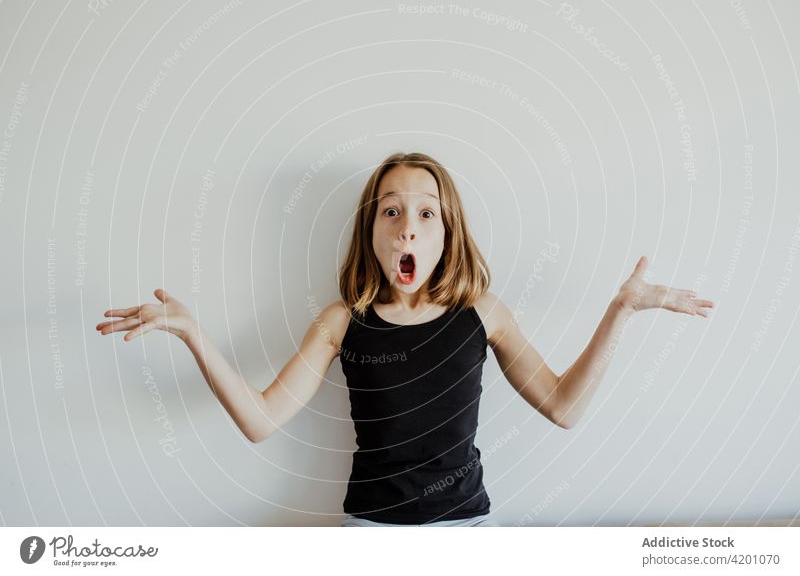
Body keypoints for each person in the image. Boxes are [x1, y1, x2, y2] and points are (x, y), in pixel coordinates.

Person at [95, 152, 714, 527]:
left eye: (425, 213)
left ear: (447, 232)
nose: (407, 229)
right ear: (371, 231)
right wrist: (193, 333)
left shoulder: (482, 313)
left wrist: (621, 310)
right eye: (390, 211)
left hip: (467, 531)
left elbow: (563, 407)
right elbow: (259, 420)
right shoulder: (342, 321)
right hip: (370, 533)